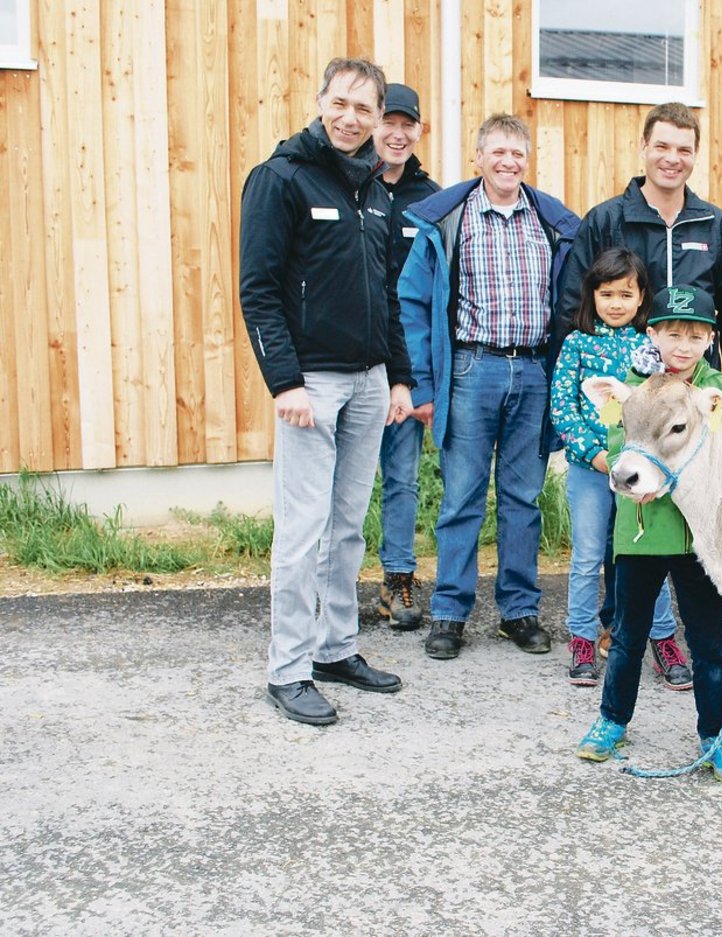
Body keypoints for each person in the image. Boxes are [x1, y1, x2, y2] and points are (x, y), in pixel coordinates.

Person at [239, 57, 414, 725]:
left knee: (347, 530)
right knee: (303, 530)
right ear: (320, 102)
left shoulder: (375, 188)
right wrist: (284, 381)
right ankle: (287, 668)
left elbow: (386, 296)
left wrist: (398, 376)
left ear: (376, 117)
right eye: (340, 103)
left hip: (370, 382)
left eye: (363, 109)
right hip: (310, 384)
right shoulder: (280, 178)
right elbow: (258, 292)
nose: (351, 117)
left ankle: (335, 647)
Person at [397, 114, 580, 661]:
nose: (508, 162)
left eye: (517, 153)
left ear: (527, 160)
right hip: (471, 371)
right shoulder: (450, 221)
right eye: (497, 152)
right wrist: (424, 385)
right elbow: (413, 304)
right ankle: (450, 613)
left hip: (533, 372)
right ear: (478, 158)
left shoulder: (551, 223)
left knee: (523, 499)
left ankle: (518, 611)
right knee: (461, 499)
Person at [575, 286, 722, 785]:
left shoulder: (719, 392)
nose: (684, 345)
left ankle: (716, 737)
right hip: (641, 533)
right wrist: (635, 476)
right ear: (652, 333)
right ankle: (612, 721)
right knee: (629, 634)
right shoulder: (633, 387)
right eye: (673, 333)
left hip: (700, 541)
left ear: (710, 338)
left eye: (696, 336)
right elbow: (619, 445)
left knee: (709, 639)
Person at [549, 247, 690, 690]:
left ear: (640, 297)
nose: (615, 303)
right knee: (589, 556)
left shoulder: (647, 348)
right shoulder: (577, 343)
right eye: (606, 293)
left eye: (625, 294)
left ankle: (663, 640)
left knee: (647, 554)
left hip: (639, 472)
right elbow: (562, 405)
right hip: (591, 470)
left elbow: (661, 401)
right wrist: (593, 453)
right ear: (592, 295)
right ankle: (583, 640)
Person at [554, 102, 722, 397]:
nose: (672, 159)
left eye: (684, 150)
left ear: (695, 155)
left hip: (694, 394)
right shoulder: (606, 221)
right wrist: (581, 390)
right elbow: (573, 309)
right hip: (625, 392)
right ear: (643, 146)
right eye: (662, 146)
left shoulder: (715, 225)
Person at [371, 82, 441, 631]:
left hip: (403, 363)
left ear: (419, 131)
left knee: (401, 475)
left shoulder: (432, 200)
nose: (397, 133)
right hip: (346, 354)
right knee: (332, 481)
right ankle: (327, 579)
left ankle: (397, 579)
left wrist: (421, 382)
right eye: (387, 122)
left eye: (406, 125)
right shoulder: (347, 184)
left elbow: (437, 296)